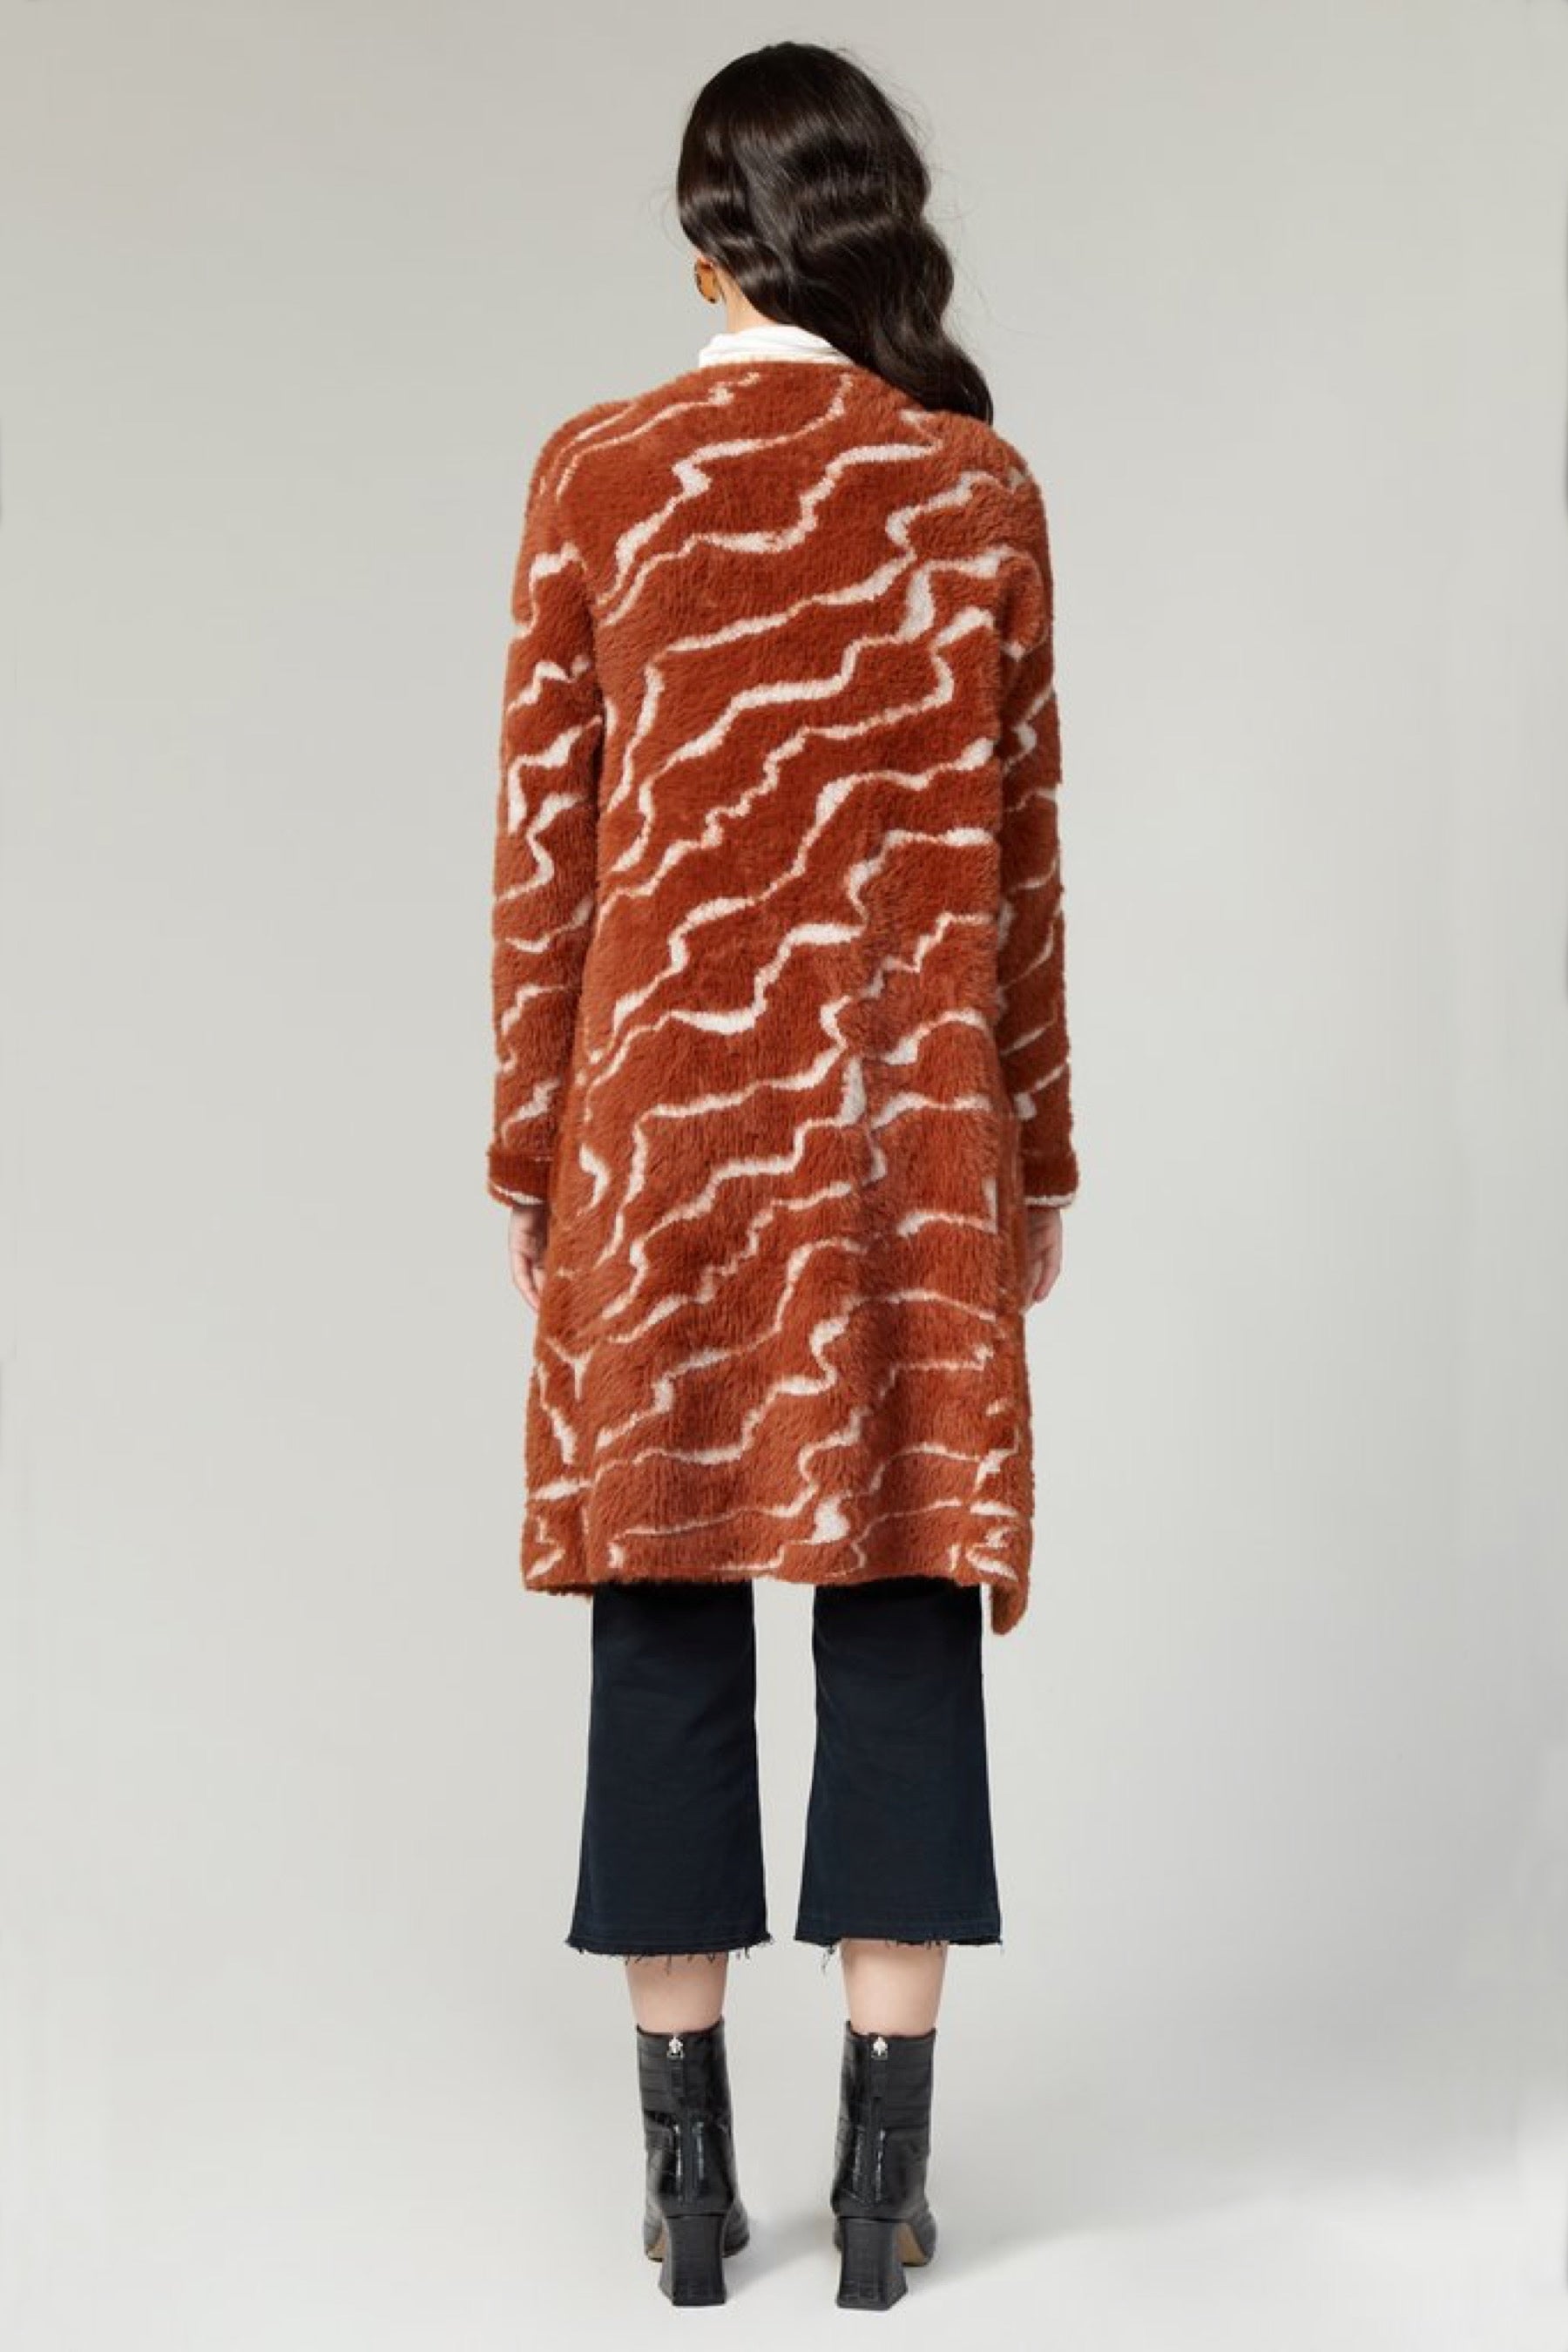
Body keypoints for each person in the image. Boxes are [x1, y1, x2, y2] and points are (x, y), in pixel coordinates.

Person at [484, 38, 1080, 2311]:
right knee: (903, 1597)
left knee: (663, 1606)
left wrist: (533, 1147)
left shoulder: (598, 473)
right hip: (901, 1138)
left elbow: (547, 854)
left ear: (702, 242)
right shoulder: (977, 490)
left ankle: (687, 2187)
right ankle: (889, 2192)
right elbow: (1022, 874)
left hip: (662, 1134)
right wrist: (1034, 1159)